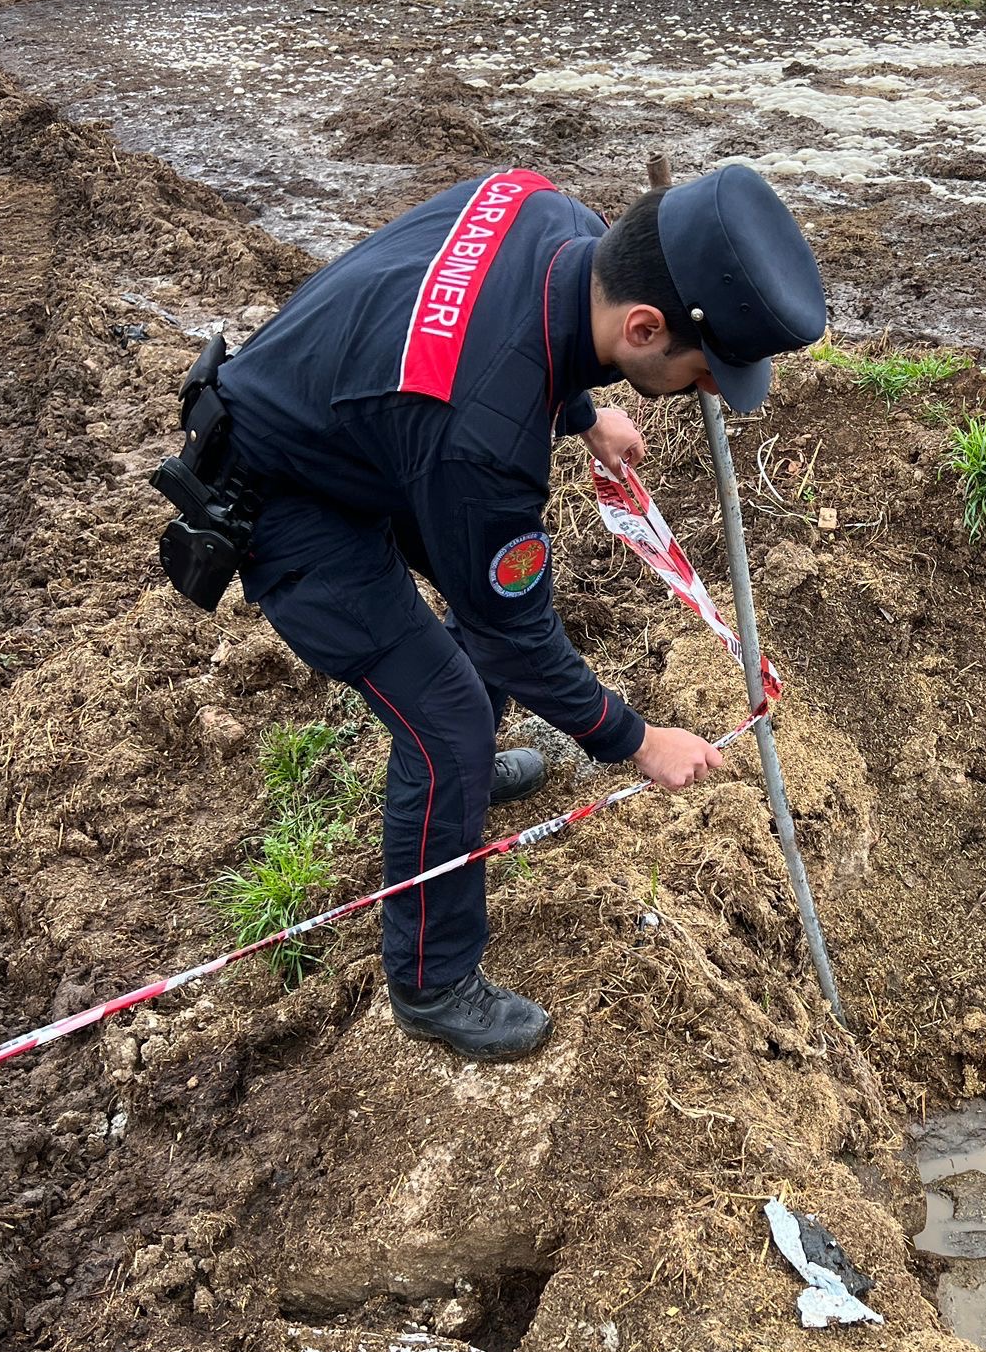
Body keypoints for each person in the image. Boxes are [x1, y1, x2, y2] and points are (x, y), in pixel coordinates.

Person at [210, 162, 827, 1061]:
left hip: (371, 425)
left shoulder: (552, 211)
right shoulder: (483, 443)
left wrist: (581, 414)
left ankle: (456, 792)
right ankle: (431, 983)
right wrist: (633, 739)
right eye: (705, 373)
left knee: (476, 640)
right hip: (288, 497)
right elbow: (512, 630)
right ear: (645, 327)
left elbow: (507, 318)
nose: (707, 392)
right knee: (450, 713)